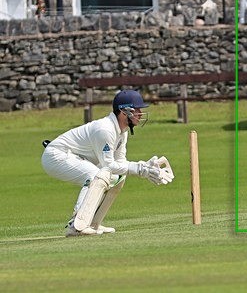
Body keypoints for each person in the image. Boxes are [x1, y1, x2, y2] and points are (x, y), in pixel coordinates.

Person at [41, 90, 174, 236]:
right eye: (137, 109)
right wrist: (141, 169)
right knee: (94, 176)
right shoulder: (105, 129)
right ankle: (76, 226)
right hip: (56, 155)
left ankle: (93, 223)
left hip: (75, 156)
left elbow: (120, 163)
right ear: (124, 111)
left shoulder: (122, 132)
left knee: (117, 178)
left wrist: (145, 168)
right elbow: (108, 165)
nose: (140, 113)